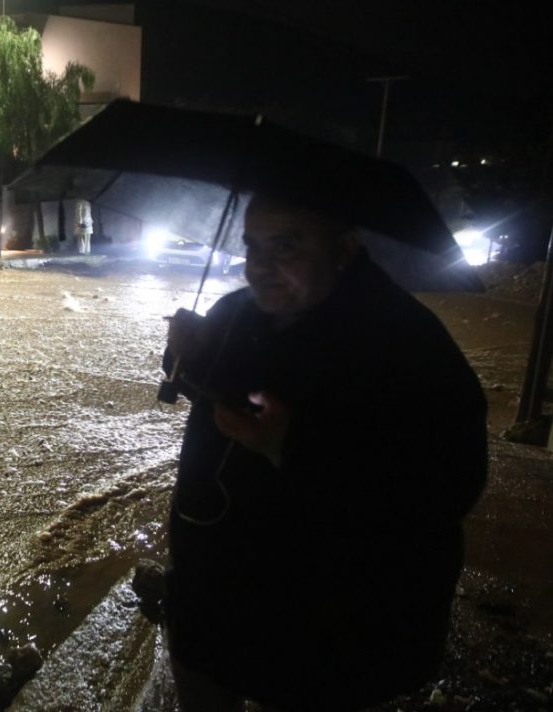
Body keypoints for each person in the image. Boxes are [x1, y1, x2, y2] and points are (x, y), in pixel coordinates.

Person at [162, 195, 487, 711]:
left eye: (285, 247)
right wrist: (188, 356)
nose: (259, 267)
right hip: (210, 598)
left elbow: (447, 486)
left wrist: (289, 447)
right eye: (252, 247)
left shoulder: (409, 345)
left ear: (344, 249)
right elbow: (221, 392)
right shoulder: (236, 313)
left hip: (330, 624)